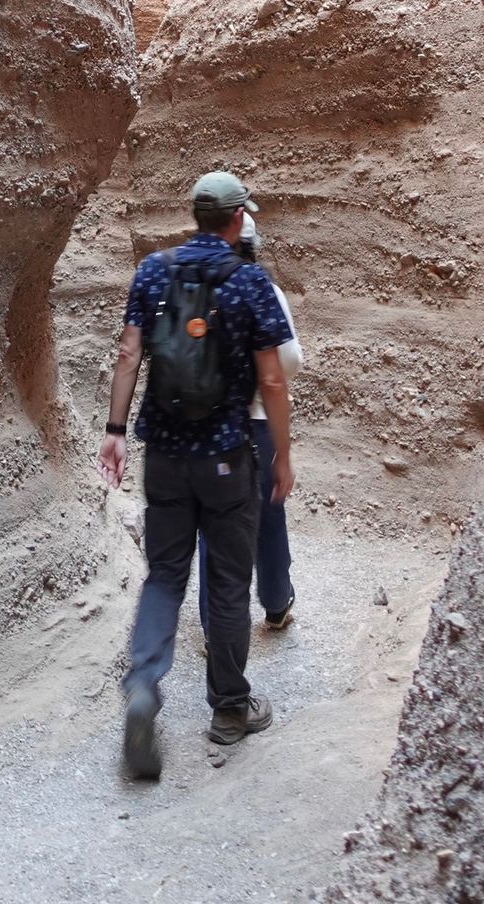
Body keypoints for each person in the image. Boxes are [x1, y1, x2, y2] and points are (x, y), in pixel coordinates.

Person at [96, 171, 295, 779]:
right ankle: (231, 707)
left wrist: (114, 430)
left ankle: (143, 692)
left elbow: (130, 352)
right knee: (229, 581)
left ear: (196, 215)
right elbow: (273, 380)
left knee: (164, 577)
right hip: (228, 459)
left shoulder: (154, 271)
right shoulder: (252, 281)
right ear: (237, 220)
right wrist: (283, 456)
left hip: (165, 458)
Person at [199, 208, 303, 637]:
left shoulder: (193, 289)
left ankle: (215, 626)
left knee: (214, 527)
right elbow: (289, 362)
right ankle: (276, 605)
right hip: (256, 426)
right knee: (268, 517)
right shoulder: (264, 291)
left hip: (207, 429)